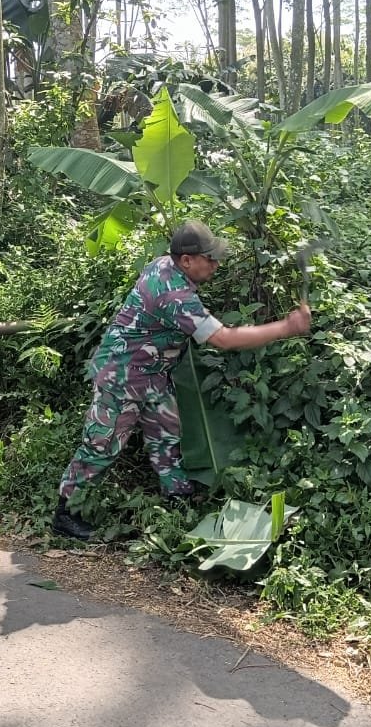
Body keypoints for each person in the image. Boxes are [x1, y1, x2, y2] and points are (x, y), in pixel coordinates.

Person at [52, 220, 313, 541]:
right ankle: (66, 513)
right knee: (102, 444)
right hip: (122, 376)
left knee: (167, 433)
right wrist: (287, 327)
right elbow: (223, 339)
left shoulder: (165, 265)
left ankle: (177, 498)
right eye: (209, 258)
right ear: (187, 260)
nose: (216, 264)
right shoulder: (173, 294)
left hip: (153, 375)